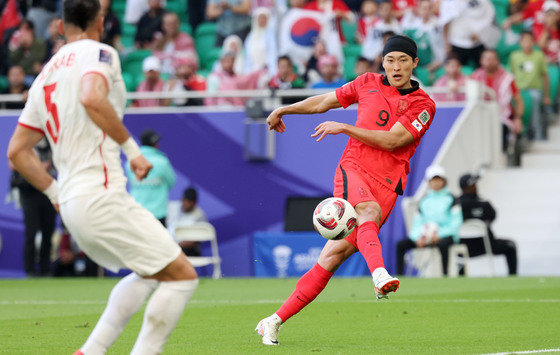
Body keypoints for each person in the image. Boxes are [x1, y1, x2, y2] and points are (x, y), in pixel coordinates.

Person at [6, 0, 198, 353]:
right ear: (102, 20)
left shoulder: (45, 74)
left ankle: (90, 351)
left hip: (76, 203)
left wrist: (55, 195)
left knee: (151, 271)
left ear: (61, 25)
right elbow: (92, 97)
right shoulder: (100, 53)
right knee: (182, 277)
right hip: (102, 195)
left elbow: (17, 152)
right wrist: (133, 150)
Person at [256, 35, 436, 345]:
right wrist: (286, 109)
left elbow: (393, 140)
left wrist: (345, 127)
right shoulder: (366, 82)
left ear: (414, 64)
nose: (396, 66)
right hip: (354, 167)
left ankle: (272, 320)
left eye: (403, 60)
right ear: (383, 62)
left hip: (387, 184)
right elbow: (323, 102)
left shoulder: (424, 105)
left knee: (331, 258)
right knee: (367, 212)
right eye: (391, 60)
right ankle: (379, 274)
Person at [395, 165, 462, 276]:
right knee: (400, 245)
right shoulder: (424, 201)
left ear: (444, 181)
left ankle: (445, 275)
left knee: (443, 244)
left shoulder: (452, 199)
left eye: (438, 179)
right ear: (429, 182)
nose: (435, 182)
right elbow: (417, 222)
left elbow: (456, 223)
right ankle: (399, 277)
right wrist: (418, 238)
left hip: (445, 236)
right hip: (425, 237)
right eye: (433, 180)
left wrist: (439, 235)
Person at [10, 138, 56, 276]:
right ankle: (30, 269)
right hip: (29, 193)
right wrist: (37, 168)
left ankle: (45, 268)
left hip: (47, 192)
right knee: (31, 232)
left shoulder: (52, 144)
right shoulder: (24, 143)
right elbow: (13, 161)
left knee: (48, 232)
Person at [457, 173, 517, 275]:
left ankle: (461, 278)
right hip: (487, 245)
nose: (476, 186)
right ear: (466, 187)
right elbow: (492, 216)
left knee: (455, 250)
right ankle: (512, 277)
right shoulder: (484, 204)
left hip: (462, 247)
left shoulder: (456, 204)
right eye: (473, 184)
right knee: (510, 246)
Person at [471, 49, 524, 157]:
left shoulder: (507, 78)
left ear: (497, 61)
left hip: (502, 116)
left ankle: (500, 156)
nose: (490, 61)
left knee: (501, 128)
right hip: (480, 116)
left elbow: (518, 101)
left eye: (492, 59)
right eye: (487, 59)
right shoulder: (474, 78)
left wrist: (518, 118)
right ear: (481, 61)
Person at [126, 129, 176, 227]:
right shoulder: (162, 162)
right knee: (159, 242)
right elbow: (171, 182)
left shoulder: (130, 162)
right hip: (158, 214)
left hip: (136, 211)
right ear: (155, 144)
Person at [509, 31, 551, 140]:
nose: (527, 43)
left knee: (535, 107)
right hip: (518, 91)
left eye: (530, 41)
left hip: (534, 90)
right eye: (525, 41)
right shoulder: (514, 56)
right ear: (520, 43)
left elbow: (545, 76)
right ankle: (521, 136)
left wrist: (546, 96)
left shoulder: (539, 55)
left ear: (533, 42)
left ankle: (538, 136)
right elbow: (511, 75)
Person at [152, 12, 198, 76]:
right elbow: (155, 59)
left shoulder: (186, 40)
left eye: (173, 23)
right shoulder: (159, 42)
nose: (171, 26)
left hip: (180, 75)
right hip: (161, 76)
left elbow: (192, 61)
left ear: (178, 24)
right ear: (163, 26)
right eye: (168, 24)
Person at [169, 187, 207, 257]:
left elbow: (195, 241)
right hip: (168, 245)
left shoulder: (200, 215)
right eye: (186, 201)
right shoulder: (171, 207)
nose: (188, 204)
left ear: (195, 203)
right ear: (182, 199)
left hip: (187, 250)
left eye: (191, 202)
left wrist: (174, 246)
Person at [8, 19, 47, 84]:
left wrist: (29, 45)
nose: (24, 31)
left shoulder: (40, 43)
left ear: (32, 30)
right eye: (21, 28)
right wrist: (21, 47)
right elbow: (12, 59)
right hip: (17, 75)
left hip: (32, 75)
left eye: (27, 29)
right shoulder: (14, 41)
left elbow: (39, 59)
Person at [244, 7, 278, 75]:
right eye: (260, 18)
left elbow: (273, 54)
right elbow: (247, 56)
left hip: (267, 70)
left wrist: (272, 71)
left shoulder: (271, 34)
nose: (262, 20)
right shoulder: (250, 36)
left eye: (264, 18)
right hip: (252, 71)